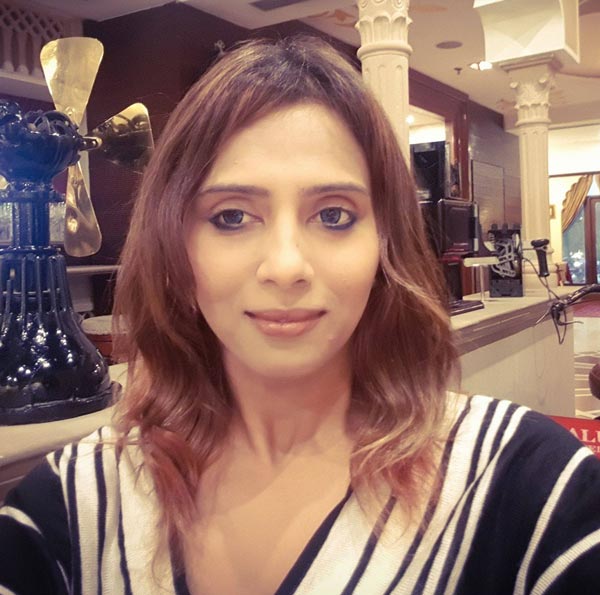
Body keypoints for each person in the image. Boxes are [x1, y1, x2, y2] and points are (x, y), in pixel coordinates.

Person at [1, 35, 600, 595]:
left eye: (334, 215)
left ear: (384, 243)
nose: (286, 266)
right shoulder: (71, 507)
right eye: (231, 217)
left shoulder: (524, 485)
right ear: (175, 247)